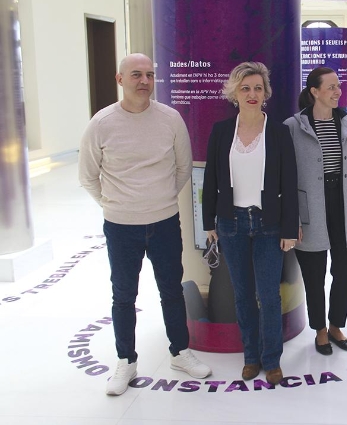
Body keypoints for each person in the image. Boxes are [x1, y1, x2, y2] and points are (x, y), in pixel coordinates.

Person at [79, 53, 212, 396]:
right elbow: (88, 176)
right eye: (136, 74)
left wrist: (160, 199)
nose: (145, 81)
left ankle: (180, 353)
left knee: (172, 289)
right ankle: (126, 360)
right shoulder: (102, 123)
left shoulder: (170, 118)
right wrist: (116, 204)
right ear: (120, 79)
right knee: (124, 295)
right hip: (121, 225)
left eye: (150, 75)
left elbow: (183, 168)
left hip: (165, 221)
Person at [202, 62, 298, 385]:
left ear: (266, 93)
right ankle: (251, 357)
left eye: (258, 88)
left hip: (268, 223)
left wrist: (289, 229)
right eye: (245, 88)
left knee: (269, 295)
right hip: (231, 224)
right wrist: (209, 222)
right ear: (234, 93)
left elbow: (290, 180)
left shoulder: (278, 132)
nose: (252, 94)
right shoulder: (220, 132)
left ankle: (272, 360)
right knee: (242, 295)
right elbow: (211, 179)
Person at [284, 67, 347, 355]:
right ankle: (319, 329)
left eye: (338, 86)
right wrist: (292, 219)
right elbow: (288, 178)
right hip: (311, 208)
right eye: (331, 87)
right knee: (314, 275)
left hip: (343, 204)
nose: (338, 92)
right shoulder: (293, 127)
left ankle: (336, 326)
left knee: (344, 271)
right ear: (315, 92)